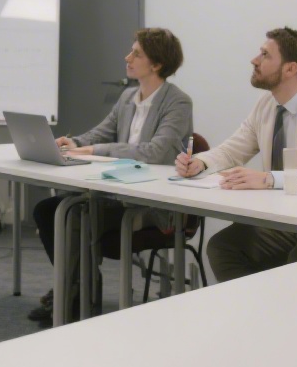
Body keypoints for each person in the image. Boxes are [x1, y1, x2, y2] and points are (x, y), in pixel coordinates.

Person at [28, 27, 193, 322]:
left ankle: (75, 294)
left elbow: (153, 152)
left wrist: (92, 151)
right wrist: (75, 142)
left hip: (151, 202)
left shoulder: (178, 102)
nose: (127, 57)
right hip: (115, 193)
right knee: (48, 210)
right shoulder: (129, 96)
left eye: (136, 53)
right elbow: (102, 131)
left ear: (156, 64)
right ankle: (75, 290)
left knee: (71, 214)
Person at [175, 27, 297, 281]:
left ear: (290, 69)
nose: (254, 60)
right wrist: (200, 162)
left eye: (265, 55)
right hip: (286, 221)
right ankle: (255, 314)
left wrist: (269, 179)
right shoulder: (267, 104)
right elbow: (234, 148)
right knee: (223, 247)